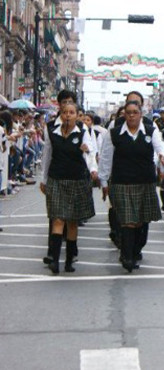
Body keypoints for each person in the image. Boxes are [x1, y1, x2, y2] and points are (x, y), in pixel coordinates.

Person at [99, 101, 164, 272]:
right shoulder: (114, 134)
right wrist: (103, 181)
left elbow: (162, 148)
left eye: (135, 112)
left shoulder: (151, 132)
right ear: (124, 115)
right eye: (128, 112)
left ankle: (135, 250)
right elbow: (106, 158)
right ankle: (127, 256)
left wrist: (162, 156)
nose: (131, 115)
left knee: (139, 222)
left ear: (141, 114)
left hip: (144, 182)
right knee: (128, 221)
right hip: (122, 182)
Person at [40, 102, 98, 274]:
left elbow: (90, 153)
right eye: (65, 112)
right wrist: (43, 179)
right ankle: (55, 261)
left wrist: (93, 168)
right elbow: (46, 156)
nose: (68, 115)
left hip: (77, 180)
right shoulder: (51, 130)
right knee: (58, 219)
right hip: (56, 178)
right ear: (60, 114)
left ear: (76, 115)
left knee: (72, 222)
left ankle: (69, 260)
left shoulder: (83, 131)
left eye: (72, 112)